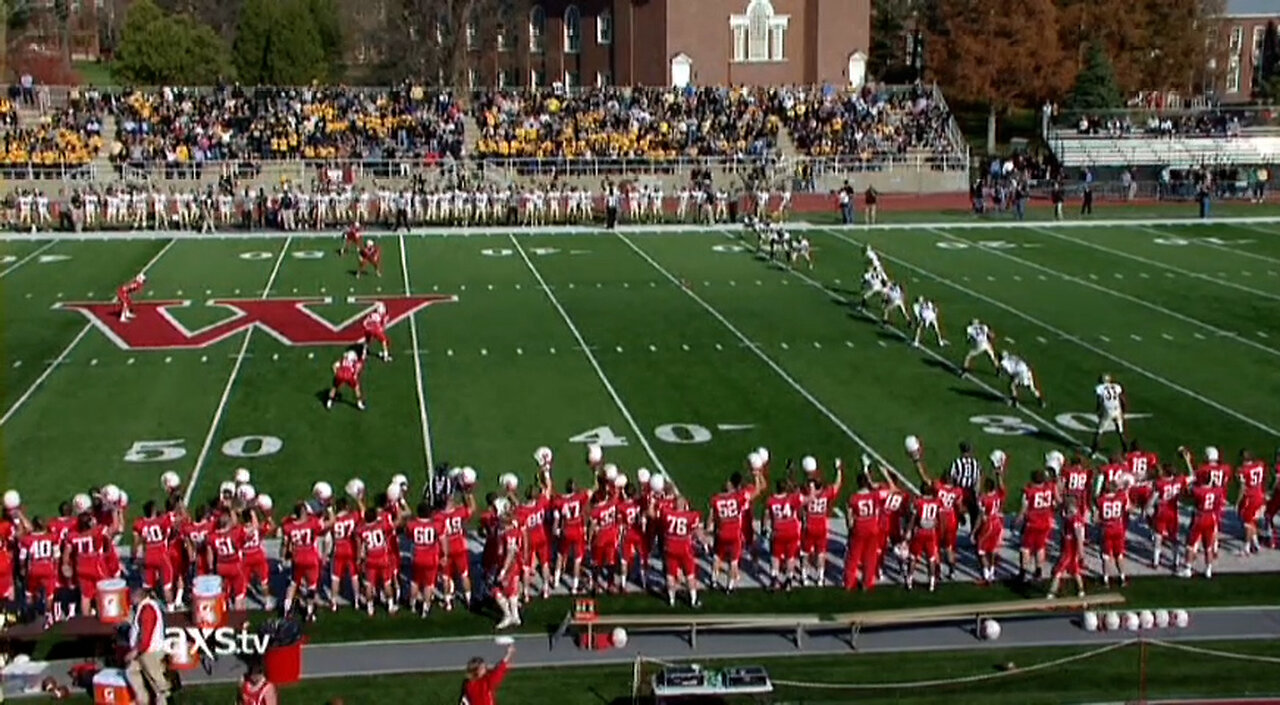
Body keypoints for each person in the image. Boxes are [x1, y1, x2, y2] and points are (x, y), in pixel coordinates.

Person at [124, 587, 170, 705]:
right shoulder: (143, 607)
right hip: (144, 650)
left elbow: (146, 637)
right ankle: (142, 699)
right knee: (131, 670)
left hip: (149, 651)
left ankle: (162, 698)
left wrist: (134, 651)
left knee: (155, 680)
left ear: (137, 596)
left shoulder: (148, 610)